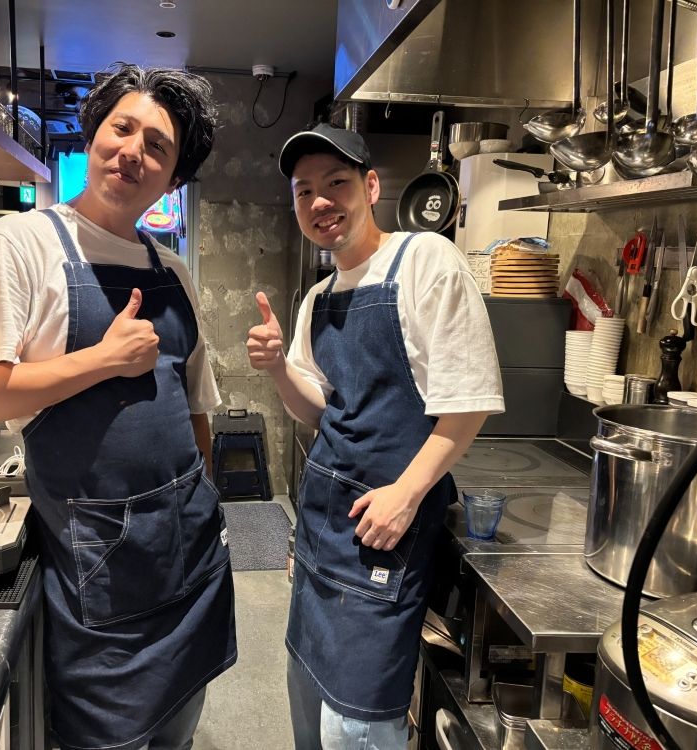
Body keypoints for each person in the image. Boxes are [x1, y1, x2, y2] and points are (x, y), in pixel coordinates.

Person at [0, 64, 235, 750]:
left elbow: (196, 409)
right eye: (121, 128)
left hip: (189, 564)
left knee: (179, 736)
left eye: (157, 145)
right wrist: (102, 358)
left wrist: (205, 498)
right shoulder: (23, 244)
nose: (134, 150)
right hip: (100, 573)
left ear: (174, 178)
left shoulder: (173, 270)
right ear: (92, 134)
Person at [247, 123, 504, 749]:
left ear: (370, 185)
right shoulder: (318, 298)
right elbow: (318, 411)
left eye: (336, 183)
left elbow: (466, 406)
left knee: (357, 724)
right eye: (304, 191)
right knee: (307, 700)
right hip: (321, 530)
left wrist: (407, 493)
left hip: (383, 529)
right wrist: (279, 367)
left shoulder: (423, 261)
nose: (319, 203)